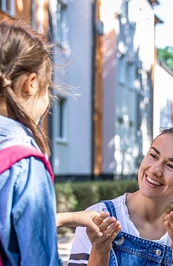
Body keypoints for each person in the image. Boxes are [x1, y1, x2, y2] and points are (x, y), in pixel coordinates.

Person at [0, 20, 107, 265]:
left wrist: (65, 218)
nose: (48, 101)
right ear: (31, 83)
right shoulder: (23, 164)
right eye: (48, 90)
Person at [68, 127, 173, 266]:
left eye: (171, 166)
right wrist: (99, 251)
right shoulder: (98, 218)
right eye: (153, 155)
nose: (155, 170)